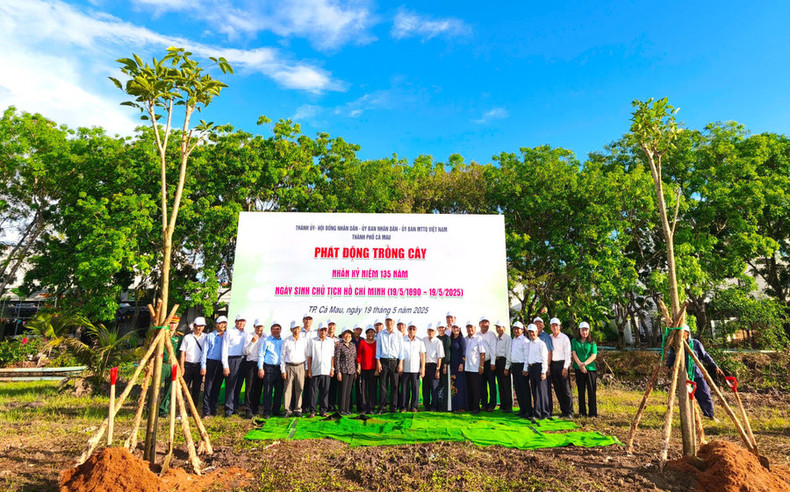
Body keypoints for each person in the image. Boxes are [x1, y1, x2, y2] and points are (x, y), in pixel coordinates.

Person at [666, 324, 724, 418]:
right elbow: (671, 357)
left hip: (696, 374)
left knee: (704, 394)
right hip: (683, 376)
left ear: (687, 333)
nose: (679, 335)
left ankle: (709, 415)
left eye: (681, 333)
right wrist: (667, 366)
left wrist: (714, 366)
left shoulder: (695, 343)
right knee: (686, 397)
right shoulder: (675, 345)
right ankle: (688, 416)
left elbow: (705, 356)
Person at [376, 316, 404, 413]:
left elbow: (401, 350)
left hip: (394, 362)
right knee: (383, 385)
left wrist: (400, 363)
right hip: (383, 361)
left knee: (394, 386)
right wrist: (378, 363)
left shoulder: (399, 334)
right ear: (385, 322)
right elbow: (378, 350)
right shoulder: (380, 334)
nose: (389, 323)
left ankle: (393, 407)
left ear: (394, 322)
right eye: (387, 321)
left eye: (391, 321)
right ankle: (382, 407)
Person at [221, 314, 247, 417]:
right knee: (230, 385)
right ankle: (228, 409)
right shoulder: (230, 332)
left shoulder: (246, 333)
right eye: (239, 321)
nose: (241, 323)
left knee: (238, 385)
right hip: (232, 360)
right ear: (235, 322)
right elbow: (224, 349)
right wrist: (225, 366)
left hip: (242, 360)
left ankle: (235, 407)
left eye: (243, 321)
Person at [201, 316, 227, 417]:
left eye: (224, 323)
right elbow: (204, 352)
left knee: (217, 387)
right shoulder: (210, 336)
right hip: (211, 362)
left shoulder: (226, 336)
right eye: (221, 323)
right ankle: (206, 410)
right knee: (208, 387)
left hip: (221, 363)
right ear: (216, 325)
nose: (223, 325)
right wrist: (203, 366)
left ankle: (213, 409)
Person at [281, 321, 308, 418]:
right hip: (289, 366)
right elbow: (282, 356)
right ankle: (287, 410)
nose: (296, 330)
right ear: (291, 329)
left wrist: (306, 369)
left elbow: (306, 355)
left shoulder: (304, 340)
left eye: (298, 328)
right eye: (294, 328)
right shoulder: (286, 340)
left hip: (300, 366)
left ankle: (298, 409)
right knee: (287, 389)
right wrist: (283, 370)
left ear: (300, 329)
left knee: (300, 388)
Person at [307, 324, 335, 417]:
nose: (323, 332)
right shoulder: (312, 341)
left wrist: (332, 369)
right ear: (318, 331)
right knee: (313, 392)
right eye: (321, 330)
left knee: (325, 391)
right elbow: (309, 356)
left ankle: (323, 411)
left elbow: (332, 357)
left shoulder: (330, 341)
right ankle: (313, 411)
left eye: (325, 330)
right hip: (315, 370)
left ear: (327, 331)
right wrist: (309, 370)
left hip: (326, 370)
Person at [159, 315, 184, 417]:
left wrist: (181, 367)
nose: (172, 325)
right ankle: (150, 410)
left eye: (175, 323)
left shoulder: (179, 337)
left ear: (178, 324)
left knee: (169, 390)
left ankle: (163, 410)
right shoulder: (162, 334)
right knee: (155, 388)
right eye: (171, 323)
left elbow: (181, 352)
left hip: (173, 365)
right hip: (162, 364)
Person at [571, 321, 598, 418]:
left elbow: (593, 355)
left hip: (590, 369)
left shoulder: (592, 342)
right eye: (583, 330)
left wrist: (585, 364)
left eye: (586, 330)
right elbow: (574, 353)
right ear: (580, 331)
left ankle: (593, 413)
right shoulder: (575, 341)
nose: (584, 332)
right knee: (581, 391)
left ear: (589, 331)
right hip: (578, 369)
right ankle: (582, 412)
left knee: (591, 391)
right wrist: (580, 365)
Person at [548, 317, 573, 418]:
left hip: (562, 364)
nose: (554, 327)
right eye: (553, 325)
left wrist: (565, 367)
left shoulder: (564, 338)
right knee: (558, 389)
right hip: (553, 364)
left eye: (556, 325)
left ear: (559, 326)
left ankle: (569, 412)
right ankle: (563, 411)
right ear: (550, 327)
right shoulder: (549, 337)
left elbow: (568, 354)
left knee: (566, 389)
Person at [259, 322, 284, 418]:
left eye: (278, 329)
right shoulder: (266, 340)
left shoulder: (283, 341)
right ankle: (267, 411)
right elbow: (261, 354)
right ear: (271, 330)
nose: (276, 330)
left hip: (279, 368)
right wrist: (261, 368)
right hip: (268, 368)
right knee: (268, 391)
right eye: (274, 329)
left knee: (279, 391)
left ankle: (276, 410)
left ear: (280, 330)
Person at [180, 317, 206, 409]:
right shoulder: (187, 337)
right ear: (194, 326)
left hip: (199, 365)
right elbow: (183, 352)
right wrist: (182, 366)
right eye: (198, 326)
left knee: (197, 389)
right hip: (188, 365)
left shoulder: (206, 337)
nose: (199, 328)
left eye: (202, 326)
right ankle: (182, 408)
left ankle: (193, 409)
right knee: (185, 388)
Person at [525, 323, 549, 419]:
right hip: (532, 368)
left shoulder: (541, 344)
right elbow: (527, 357)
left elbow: (544, 359)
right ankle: (537, 412)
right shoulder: (529, 344)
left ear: (536, 332)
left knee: (541, 391)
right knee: (535, 391)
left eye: (533, 332)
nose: (531, 334)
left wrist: (543, 371)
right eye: (529, 332)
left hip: (539, 367)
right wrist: (526, 368)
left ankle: (545, 413)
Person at [242, 319, 265, 418]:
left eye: (261, 326)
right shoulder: (249, 336)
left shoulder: (266, 336)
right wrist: (252, 342)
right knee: (249, 387)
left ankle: (255, 408)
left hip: (261, 365)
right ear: (254, 326)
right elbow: (245, 351)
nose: (259, 328)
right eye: (257, 326)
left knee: (258, 387)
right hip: (251, 364)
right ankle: (248, 409)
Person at [401, 323, 426, 412]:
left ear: (416, 330)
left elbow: (422, 355)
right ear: (407, 330)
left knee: (415, 389)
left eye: (413, 329)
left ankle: (414, 406)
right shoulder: (402, 340)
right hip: (405, 368)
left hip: (415, 369)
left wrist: (423, 368)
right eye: (410, 328)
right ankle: (404, 406)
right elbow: (401, 354)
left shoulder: (420, 341)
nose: (412, 330)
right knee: (404, 389)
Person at [509, 321, 531, 418]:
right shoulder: (513, 340)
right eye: (514, 328)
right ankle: (522, 409)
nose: (516, 330)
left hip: (522, 366)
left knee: (524, 389)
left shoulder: (525, 341)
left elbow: (527, 356)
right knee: (517, 389)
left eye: (518, 329)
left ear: (522, 330)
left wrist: (526, 368)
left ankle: (528, 410)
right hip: (515, 366)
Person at [464, 321, 486, 414]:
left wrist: (481, 366)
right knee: (468, 388)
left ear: (475, 328)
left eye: (471, 327)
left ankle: (476, 407)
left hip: (475, 368)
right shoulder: (464, 339)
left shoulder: (479, 338)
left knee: (476, 389)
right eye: (468, 327)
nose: (470, 329)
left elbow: (482, 353)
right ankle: (469, 406)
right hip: (466, 368)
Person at [422, 323, 445, 411]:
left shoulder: (438, 342)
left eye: (432, 330)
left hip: (434, 366)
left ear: (435, 332)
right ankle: (426, 405)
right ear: (427, 331)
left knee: (434, 387)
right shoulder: (424, 340)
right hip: (425, 366)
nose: (430, 332)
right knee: (425, 387)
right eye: (429, 330)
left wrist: (438, 370)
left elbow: (440, 357)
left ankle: (434, 406)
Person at [334, 329, 357, 415]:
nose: (348, 337)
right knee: (342, 390)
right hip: (343, 370)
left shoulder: (353, 346)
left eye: (349, 336)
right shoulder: (340, 346)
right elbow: (337, 360)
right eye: (346, 336)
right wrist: (338, 372)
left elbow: (354, 358)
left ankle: (347, 409)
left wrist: (355, 371)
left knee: (348, 390)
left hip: (351, 370)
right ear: (343, 336)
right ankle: (341, 409)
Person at [533, 317, 554, 413]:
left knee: (545, 390)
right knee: (536, 390)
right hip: (534, 366)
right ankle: (538, 409)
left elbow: (549, 352)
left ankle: (547, 410)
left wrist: (548, 366)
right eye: (536, 323)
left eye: (540, 323)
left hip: (544, 366)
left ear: (543, 325)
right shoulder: (531, 336)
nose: (538, 325)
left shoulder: (546, 336)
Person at [478, 316, 498, 412]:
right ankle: (484, 404)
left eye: (486, 322)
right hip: (480, 363)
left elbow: (493, 349)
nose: (484, 325)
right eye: (483, 322)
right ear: (479, 324)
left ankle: (492, 404)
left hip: (490, 362)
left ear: (489, 324)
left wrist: (493, 362)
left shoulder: (492, 335)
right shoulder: (477, 335)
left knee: (491, 384)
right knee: (482, 384)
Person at [356, 326, 378, 414]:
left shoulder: (376, 343)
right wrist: (359, 366)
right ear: (366, 333)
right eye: (369, 332)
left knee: (372, 389)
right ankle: (364, 408)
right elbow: (359, 356)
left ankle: (371, 408)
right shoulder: (362, 342)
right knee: (363, 389)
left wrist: (377, 369)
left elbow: (378, 356)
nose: (370, 334)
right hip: (364, 369)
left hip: (373, 369)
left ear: (374, 333)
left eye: (372, 332)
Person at [492, 320, 513, 413]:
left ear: (504, 328)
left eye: (500, 327)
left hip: (504, 361)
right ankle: (503, 405)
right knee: (500, 384)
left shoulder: (507, 338)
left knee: (506, 385)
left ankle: (508, 406)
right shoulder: (496, 338)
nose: (498, 329)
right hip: (497, 362)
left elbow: (508, 353)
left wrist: (507, 367)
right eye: (497, 327)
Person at [449, 324, 467, 412]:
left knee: (460, 386)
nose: (455, 329)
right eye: (454, 328)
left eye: (457, 328)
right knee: (453, 386)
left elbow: (464, 353)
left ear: (459, 329)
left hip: (459, 366)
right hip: (452, 366)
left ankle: (461, 406)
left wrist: (462, 363)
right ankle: (454, 406)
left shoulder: (461, 339)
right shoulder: (451, 339)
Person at [301, 314, 316, 414]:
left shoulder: (315, 333)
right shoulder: (299, 331)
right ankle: (301, 406)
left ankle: (310, 406)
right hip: (301, 361)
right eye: (306, 319)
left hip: (312, 362)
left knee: (311, 386)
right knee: (301, 386)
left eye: (309, 319)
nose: (307, 321)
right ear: (303, 320)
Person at [436, 322, 452, 412]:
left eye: (442, 327)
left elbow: (447, 353)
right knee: (439, 385)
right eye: (439, 327)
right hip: (438, 364)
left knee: (445, 385)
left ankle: (445, 406)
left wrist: (445, 365)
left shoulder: (447, 339)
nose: (441, 329)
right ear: (437, 329)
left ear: (444, 329)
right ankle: (439, 404)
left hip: (445, 365)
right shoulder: (436, 338)